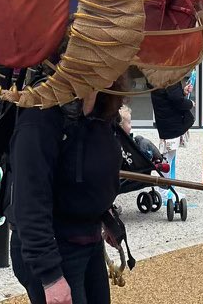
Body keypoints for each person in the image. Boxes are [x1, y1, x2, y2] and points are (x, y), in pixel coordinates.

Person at [8, 86, 124, 304]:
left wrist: (105, 212)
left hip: (89, 240)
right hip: (54, 249)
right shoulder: (39, 117)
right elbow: (29, 202)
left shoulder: (102, 110)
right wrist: (51, 277)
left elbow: (95, 171)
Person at [150, 78, 195, 200]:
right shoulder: (169, 77)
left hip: (166, 122)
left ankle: (167, 189)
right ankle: (165, 192)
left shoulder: (159, 78)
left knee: (168, 158)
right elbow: (176, 100)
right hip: (171, 123)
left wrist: (183, 92)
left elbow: (169, 96)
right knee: (167, 160)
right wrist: (190, 103)